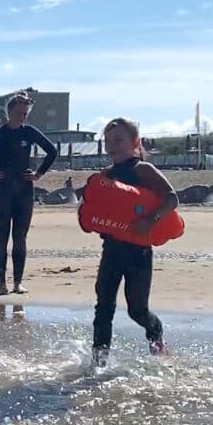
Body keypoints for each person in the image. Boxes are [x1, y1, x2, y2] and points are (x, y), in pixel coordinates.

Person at [91, 118, 175, 366]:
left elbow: (172, 199)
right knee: (103, 308)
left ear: (135, 143)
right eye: (107, 141)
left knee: (137, 310)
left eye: (118, 140)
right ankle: (98, 364)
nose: (112, 146)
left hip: (139, 252)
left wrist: (150, 221)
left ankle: (156, 338)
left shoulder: (143, 170)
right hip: (112, 250)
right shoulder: (105, 176)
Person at [0, 91, 58, 295]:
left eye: (25, 113)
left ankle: (17, 283)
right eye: (19, 113)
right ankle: (1, 285)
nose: (22, 117)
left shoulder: (29, 132)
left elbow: (52, 151)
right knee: (1, 237)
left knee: (20, 237)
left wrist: (39, 174)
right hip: (2, 191)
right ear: (9, 113)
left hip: (24, 190)